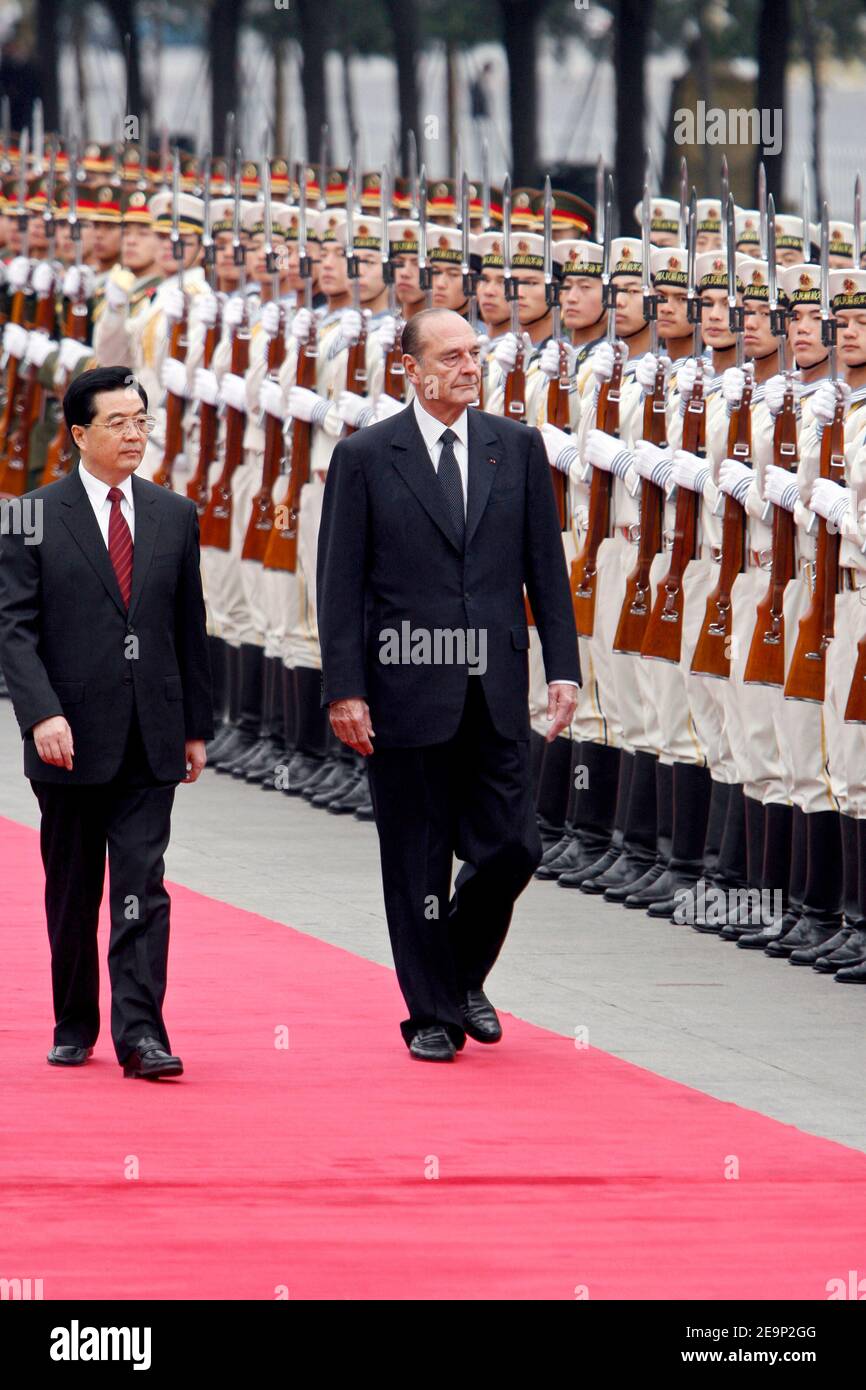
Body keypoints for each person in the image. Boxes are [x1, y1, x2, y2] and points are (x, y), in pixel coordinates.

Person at [316, 307, 580, 1061]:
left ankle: (460, 970)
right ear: (411, 369)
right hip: (403, 690)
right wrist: (345, 688)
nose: (472, 366)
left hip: (494, 686)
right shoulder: (368, 456)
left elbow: (545, 570)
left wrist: (563, 666)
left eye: (477, 353)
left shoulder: (516, 448)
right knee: (416, 858)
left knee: (513, 847)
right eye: (454, 355)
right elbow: (339, 584)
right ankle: (431, 1014)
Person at [0, 366, 213, 1078]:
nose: (134, 435)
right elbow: (14, 629)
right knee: (73, 885)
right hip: (68, 737)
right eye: (118, 423)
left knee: (142, 883)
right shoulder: (31, 514)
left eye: (142, 420)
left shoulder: (173, 516)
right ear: (80, 434)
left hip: (151, 734)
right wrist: (41, 715)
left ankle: (142, 1033)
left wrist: (194, 728)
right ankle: (73, 1018)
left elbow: (190, 628)